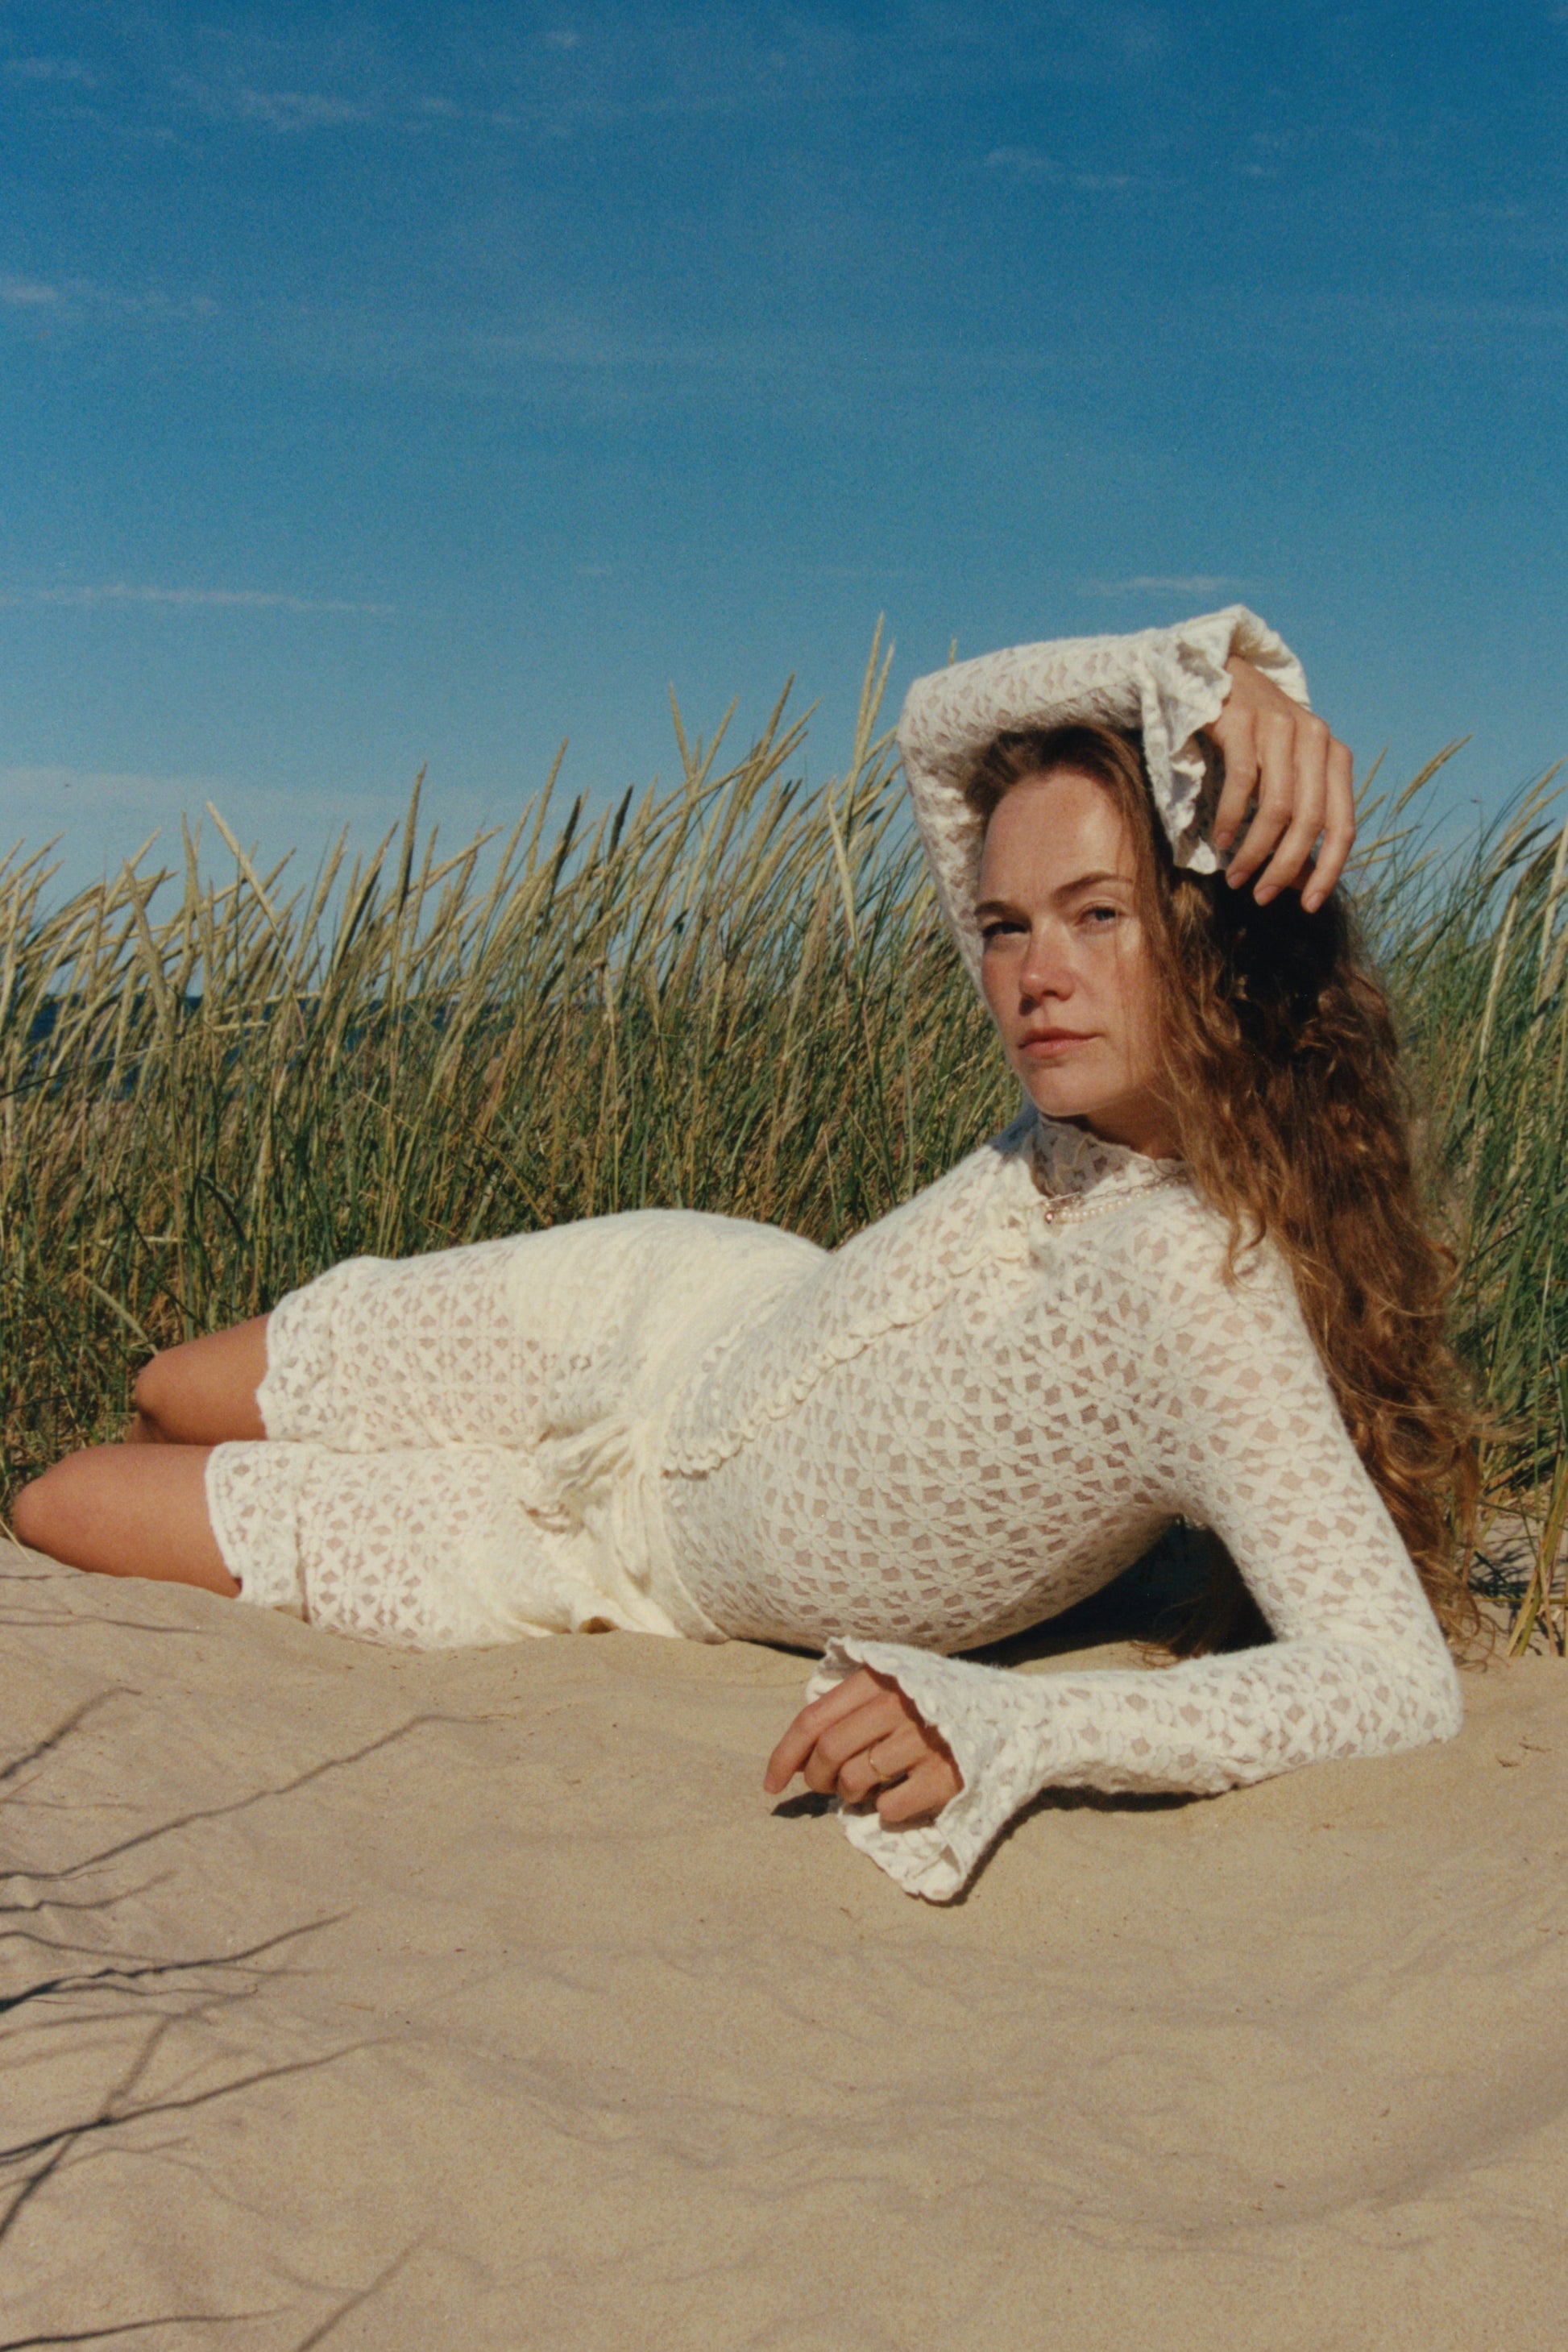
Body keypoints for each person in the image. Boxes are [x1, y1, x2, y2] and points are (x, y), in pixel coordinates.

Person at [14, 608, 1473, 1902]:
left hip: (596, 1556)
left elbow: (1389, 1680)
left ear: (1213, 932)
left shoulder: (1201, 1290)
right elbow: (935, 723)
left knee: (65, 1499)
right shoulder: (1066, 1110)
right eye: (1005, 924)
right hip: (655, 1308)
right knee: (166, 1387)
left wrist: (1008, 1718)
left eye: (1102, 917)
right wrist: (1207, 675)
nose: (1036, 975)